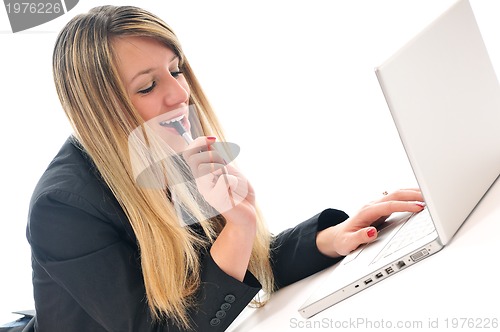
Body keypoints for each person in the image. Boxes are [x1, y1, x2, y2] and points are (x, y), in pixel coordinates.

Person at [26, 5, 425, 332]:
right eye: (147, 87)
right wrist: (239, 226)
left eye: (176, 69)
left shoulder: (163, 140)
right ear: (99, 108)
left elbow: (226, 267)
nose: (179, 94)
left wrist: (330, 239)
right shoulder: (62, 208)